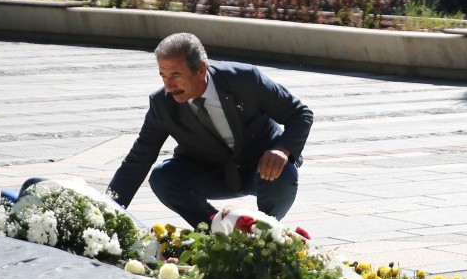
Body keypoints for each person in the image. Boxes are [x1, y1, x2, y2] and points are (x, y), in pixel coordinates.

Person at [108, 33, 313, 228]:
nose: (169, 86)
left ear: (201, 70)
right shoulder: (162, 104)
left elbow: (300, 114)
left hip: (261, 168)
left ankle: (266, 234)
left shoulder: (245, 80)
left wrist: (282, 149)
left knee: (283, 172)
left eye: (176, 75)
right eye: (163, 75)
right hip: (210, 173)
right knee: (163, 178)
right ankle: (213, 231)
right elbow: (138, 160)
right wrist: (106, 212)